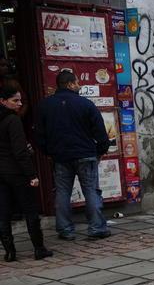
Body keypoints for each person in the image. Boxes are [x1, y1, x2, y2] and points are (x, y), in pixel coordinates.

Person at [36, 70, 111, 241]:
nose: (79, 85)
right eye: (77, 82)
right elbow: (100, 132)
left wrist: (49, 152)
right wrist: (100, 151)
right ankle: (97, 228)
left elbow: (39, 135)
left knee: (62, 192)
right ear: (70, 84)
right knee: (91, 190)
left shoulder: (45, 105)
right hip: (85, 153)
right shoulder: (85, 104)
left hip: (61, 156)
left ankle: (65, 229)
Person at [0, 85, 52, 260]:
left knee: (3, 213)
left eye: (20, 100)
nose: (19, 104)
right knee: (30, 210)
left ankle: (10, 252)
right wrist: (32, 175)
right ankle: (39, 248)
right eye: (15, 100)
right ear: (2, 101)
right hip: (16, 172)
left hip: (1, 173)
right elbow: (19, 151)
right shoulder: (12, 120)